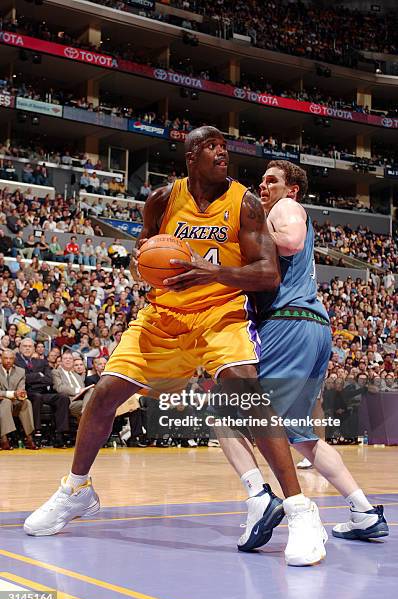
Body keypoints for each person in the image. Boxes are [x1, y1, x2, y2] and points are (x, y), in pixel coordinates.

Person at [24, 126, 324, 565]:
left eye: (226, 148)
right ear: (190, 156)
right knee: (105, 393)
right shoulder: (163, 200)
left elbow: (268, 274)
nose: (223, 154)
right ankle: (76, 491)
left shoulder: (246, 203)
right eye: (212, 148)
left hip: (220, 312)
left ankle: (300, 511)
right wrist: (142, 258)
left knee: (246, 393)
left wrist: (211, 272)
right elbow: (142, 251)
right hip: (162, 316)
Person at [218, 160, 388, 553]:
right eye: (261, 180)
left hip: (288, 324)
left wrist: (247, 235)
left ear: (292, 189)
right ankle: (363, 511)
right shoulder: (273, 213)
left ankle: (261, 498)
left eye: (272, 180)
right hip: (310, 326)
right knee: (299, 435)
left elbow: (291, 241)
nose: (263, 185)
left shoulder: (284, 210)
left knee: (226, 412)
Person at [0, 349, 36, 450]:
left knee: (26, 402)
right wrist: (12, 394)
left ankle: (29, 438)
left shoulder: (20, 371)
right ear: (1, 359)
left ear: (14, 360)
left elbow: (21, 389)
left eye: (11, 358)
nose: (8, 361)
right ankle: (4, 439)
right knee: (6, 402)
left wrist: (21, 394)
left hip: (15, 402)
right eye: (5, 358)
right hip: (2, 403)